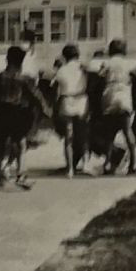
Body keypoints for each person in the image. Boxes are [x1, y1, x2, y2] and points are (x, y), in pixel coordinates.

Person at [0, 45, 48, 190]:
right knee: (21, 144)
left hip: (1, 114)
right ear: (21, 62)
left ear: (7, 59)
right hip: (19, 115)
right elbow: (37, 98)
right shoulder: (25, 80)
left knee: (1, 146)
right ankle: (20, 175)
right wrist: (44, 112)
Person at [95, 38, 136, 175]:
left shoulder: (107, 63)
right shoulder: (129, 63)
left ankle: (107, 164)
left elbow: (99, 76)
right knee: (127, 131)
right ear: (124, 50)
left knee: (109, 134)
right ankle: (133, 164)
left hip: (109, 96)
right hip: (124, 96)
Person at [52, 44, 91, 176]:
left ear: (64, 56)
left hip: (67, 100)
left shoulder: (61, 70)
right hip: (81, 100)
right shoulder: (83, 68)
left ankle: (70, 169)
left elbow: (55, 86)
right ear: (77, 55)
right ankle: (85, 164)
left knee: (69, 136)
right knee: (83, 135)